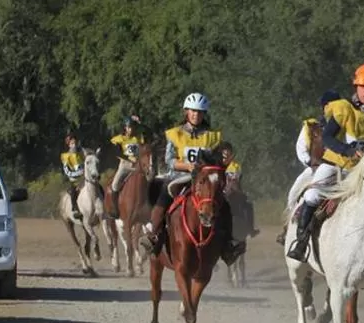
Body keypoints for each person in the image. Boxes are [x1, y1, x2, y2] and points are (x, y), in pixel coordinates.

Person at [287, 66, 364, 261]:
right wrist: (347, 150)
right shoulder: (344, 109)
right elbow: (328, 138)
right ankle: (301, 241)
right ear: (356, 87)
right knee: (312, 195)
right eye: (362, 86)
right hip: (338, 165)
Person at [139, 92, 245, 265]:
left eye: (200, 112)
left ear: (204, 114)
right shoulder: (175, 134)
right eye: (193, 111)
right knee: (163, 200)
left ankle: (228, 245)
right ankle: (152, 236)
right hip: (180, 177)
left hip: (205, 180)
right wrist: (187, 166)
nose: (196, 115)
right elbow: (169, 160)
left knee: (224, 204)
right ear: (186, 112)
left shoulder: (212, 136)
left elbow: (218, 158)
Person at [277, 90, 341, 246]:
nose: (330, 108)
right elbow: (301, 148)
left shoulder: (346, 123)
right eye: (328, 105)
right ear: (323, 107)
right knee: (293, 194)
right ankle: (290, 231)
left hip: (342, 169)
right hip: (315, 169)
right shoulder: (311, 127)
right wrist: (310, 162)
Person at [105, 115, 146, 219]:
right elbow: (117, 152)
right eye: (128, 127)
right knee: (114, 185)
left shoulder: (138, 136)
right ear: (125, 128)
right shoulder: (120, 139)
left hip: (138, 166)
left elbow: (148, 134)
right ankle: (115, 209)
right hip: (125, 166)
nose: (130, 129)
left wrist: (140, 122)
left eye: (132, 127)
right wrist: (129, 158)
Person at [221, 141, 259, 238]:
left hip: (233, 194)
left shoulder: (235, 166)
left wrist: (225, 192)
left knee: (248, 205)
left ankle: (250, 229)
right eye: (223, 156)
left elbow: (233, 183)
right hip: (219, 194)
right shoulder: (216, 165)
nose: (224, 159)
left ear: (231, 155)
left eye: (227, 156)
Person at [61, 132, 85, 220]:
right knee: (73, 192)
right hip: (74, 180)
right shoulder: (65, 156)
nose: (74, 145)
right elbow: (67, 171)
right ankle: (75, 209)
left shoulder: (81, 153)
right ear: (68, 145)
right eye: (72, 144)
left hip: (85, 178)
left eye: (75, 143)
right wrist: (79, 173)